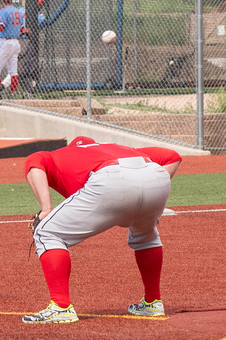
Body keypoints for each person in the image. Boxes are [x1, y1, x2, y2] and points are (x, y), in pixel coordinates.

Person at [21, 136, 182, 324]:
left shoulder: (61, 154)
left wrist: (46, 209)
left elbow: (33, 161)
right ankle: (153, 303)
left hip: (110, 178)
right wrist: (144, 194)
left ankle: (61, 307)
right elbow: (173, 156)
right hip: (155, 176)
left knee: (46, 232)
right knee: (146, 235)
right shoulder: (117, 146)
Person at [1, 0, 45, 91]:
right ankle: (3, 86)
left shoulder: (20, 10)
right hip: (24, 42)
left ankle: (5, 88)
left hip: (13, 39)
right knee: (19, 68)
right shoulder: (38, 17)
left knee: (19, 67)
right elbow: (45, 22)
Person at [0, 0, 25, 95]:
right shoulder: (18, 12)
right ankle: (13, 93)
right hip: (16, 43)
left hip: (6, 42)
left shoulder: (4, 11)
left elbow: (0, 27)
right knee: (13, 71)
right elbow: (22, 30)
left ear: (3, 1)